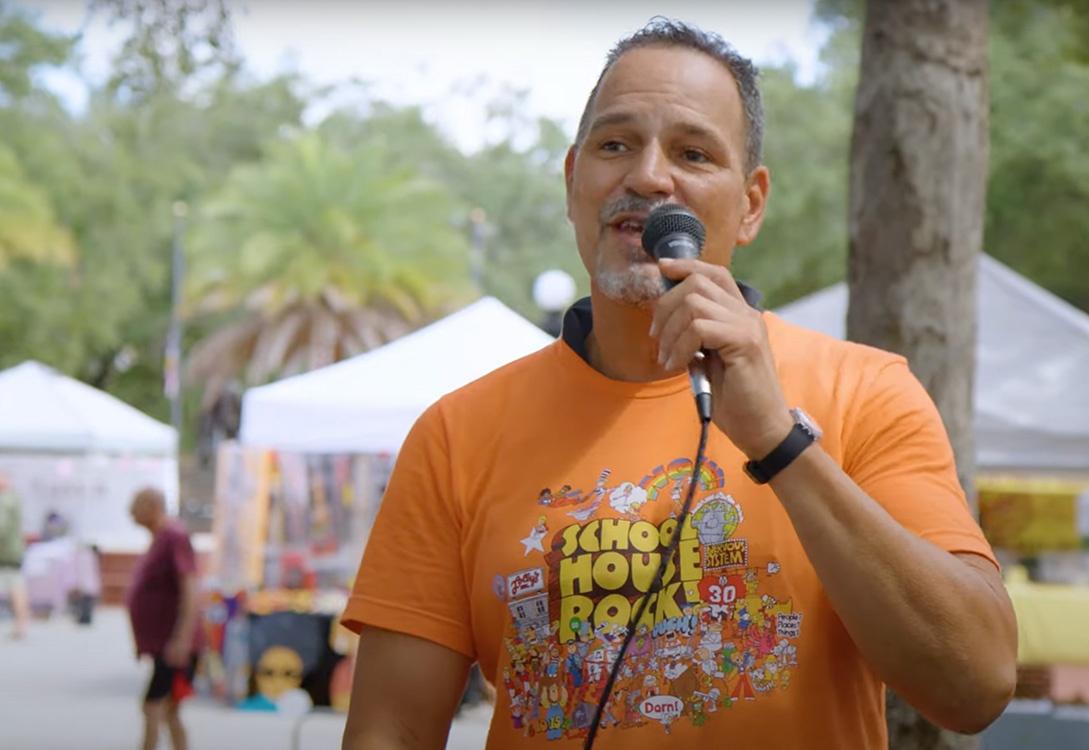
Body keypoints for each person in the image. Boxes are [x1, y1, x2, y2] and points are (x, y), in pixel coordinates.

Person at [341, 20, 1017, 750]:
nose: (649, 177)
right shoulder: (457, 433)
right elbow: (391, 730)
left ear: (751, 204)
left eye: (693, 153)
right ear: (573, 181)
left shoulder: (867, 391)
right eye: (615, 145)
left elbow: (975, 683)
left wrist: (778, 442)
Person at [125, 488, 201, 750]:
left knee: (154, 706)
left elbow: (190, 587)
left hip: (175, 643)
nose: (131, 512)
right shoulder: (160, 538)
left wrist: (182, 638)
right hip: (163, 641)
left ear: (152, 506)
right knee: (168, 710)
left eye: (136, 505)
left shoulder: (173, 536)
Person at [0, 472, 30, 640]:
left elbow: (1, 527)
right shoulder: (13, 498)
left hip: (5, 553)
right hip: (12, 551)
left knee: (15, 588)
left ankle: (21, 625)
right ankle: (21, 625)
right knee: (17, 587)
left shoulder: (5, 501)